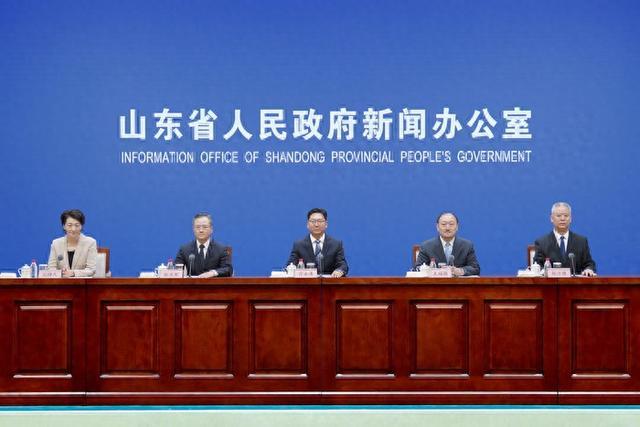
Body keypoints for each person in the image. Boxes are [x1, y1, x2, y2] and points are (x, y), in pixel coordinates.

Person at [533, 202, 596, 276]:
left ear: (571, 219)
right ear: (551, 218)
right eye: (558, 216)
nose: (562, 219)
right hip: (551, 283)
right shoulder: (542, 242)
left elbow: (589, 263)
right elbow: (537, 266)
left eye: (566, 216)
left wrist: (589, 269)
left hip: (574, 283)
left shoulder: (581, 241)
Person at [287, 208, 348, 277]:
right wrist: (290, 268)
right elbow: (290, 265)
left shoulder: (336, 244)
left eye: (320, 221)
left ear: (326, 224)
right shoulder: (299, 245)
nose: (316, 225)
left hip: (329, 282)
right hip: (306, 282)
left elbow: (342, 265)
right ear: (307, 224)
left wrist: (339, 271)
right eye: (313, 221)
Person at [414, 212, 480, 276]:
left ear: (457, 227)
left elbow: (475, 268)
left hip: (458, 283)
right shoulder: (426, 246)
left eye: (451, 224)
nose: (447, 228)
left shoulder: (467, 245)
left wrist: (460, 271)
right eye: (443, 224)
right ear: (437, 227)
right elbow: (417, 268)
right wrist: (433, 271)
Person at [175, 212, 233, 277]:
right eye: (197, 227)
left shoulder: (221, 249)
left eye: (205, 227)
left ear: (211, 229)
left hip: (213, 283)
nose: (201, 230)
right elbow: (177, 270)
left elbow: (228, 269)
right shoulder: (184, 249)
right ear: (193, 229)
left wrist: (213, 273)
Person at [47, 209, 97, 277]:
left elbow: (91, 270)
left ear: (81, 226)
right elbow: (51, 268)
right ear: (64, 226)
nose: (73, 229)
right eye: (69, 225)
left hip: (82, 283)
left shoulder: (90, 243)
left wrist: (73, 273)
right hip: (61, 282)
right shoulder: (56, 243)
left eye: (77, 225)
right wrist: (60, 273)